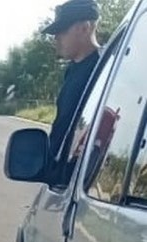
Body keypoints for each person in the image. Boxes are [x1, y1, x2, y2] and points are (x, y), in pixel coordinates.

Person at [41, 0, 102, 177]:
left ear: (85, 28)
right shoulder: (72, 70)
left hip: (77, 175)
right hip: (60, 172)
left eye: (62, 30)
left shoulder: (103, 68)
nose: (56, 38)